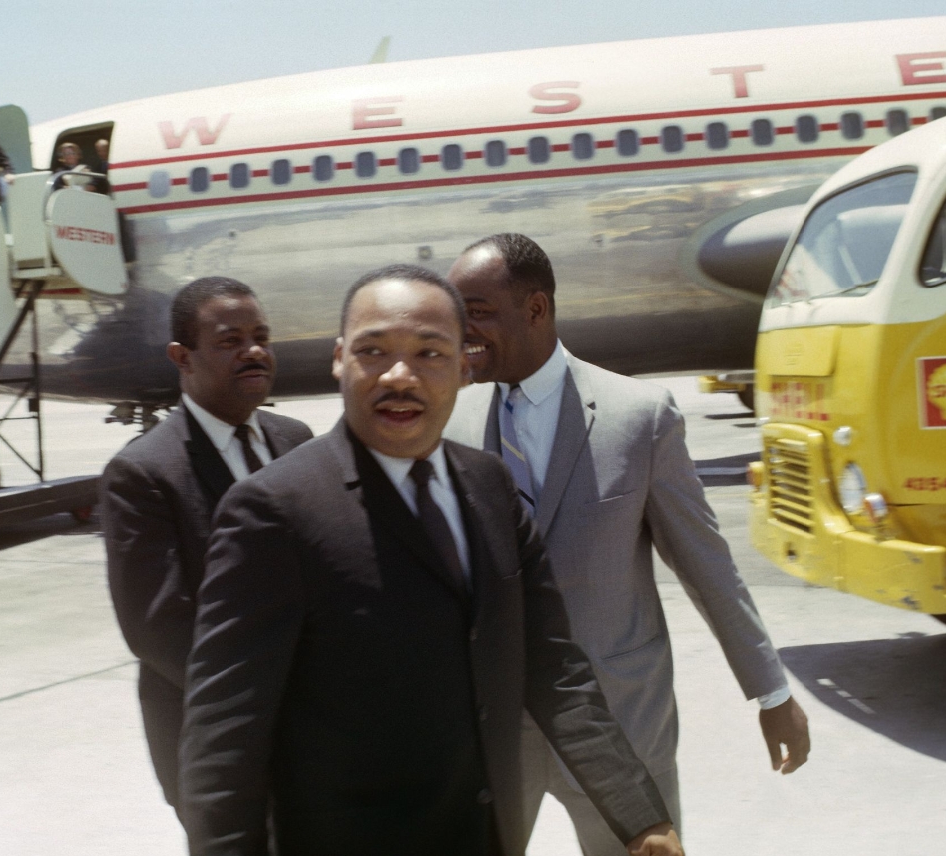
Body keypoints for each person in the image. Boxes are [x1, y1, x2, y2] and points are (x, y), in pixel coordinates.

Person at [180, 265, 682, 856]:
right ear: (339, 358)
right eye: (373, 351)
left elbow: (552, 664)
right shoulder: (272, 513)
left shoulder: (490, 486)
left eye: (430, 352)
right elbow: (223, 743)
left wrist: (640, 817)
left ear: (465, 367)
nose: (400, 376)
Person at [442, 233, 811, 855]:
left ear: (536, 310)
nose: (463, 330)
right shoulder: (449, 422)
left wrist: (770, 690)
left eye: (477, 311)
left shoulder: (637, 416)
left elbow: (707, 566)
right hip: (496, 731)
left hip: (621, 722)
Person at [101, 277, 313, 815]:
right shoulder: (143, 473)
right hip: (217, 738)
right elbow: (158, 627)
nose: (254, 352)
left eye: (261, 336)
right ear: (182, 356)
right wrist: (278, 698)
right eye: (230, 341)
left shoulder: (297, 442)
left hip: (315, 736)